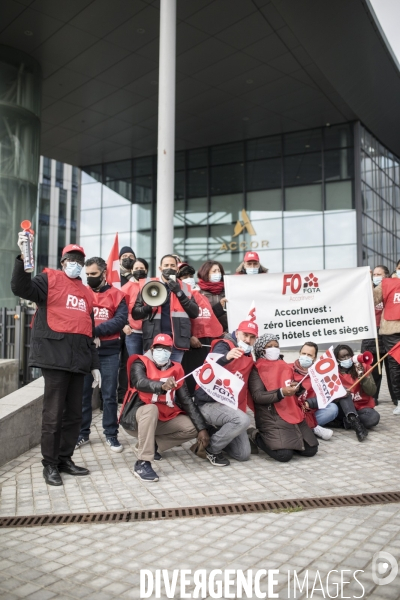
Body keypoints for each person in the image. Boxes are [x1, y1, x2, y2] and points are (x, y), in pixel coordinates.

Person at [11, 239, 100, 486]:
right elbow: (20, 288)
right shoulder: (47, 279)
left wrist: (94, 364)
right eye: (71, 259)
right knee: (53, 415)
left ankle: (64, 459)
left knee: (74, 416)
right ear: (63, 262)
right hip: (55, 358)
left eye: (79, 260)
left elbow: (88, 331)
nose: (76, 264)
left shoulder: (86, 293)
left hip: (79, 361)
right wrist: (23, 260)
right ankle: (49, 464)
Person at [123, 334, 209, 482]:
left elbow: (186, 400)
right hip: (139, 418)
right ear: (152, 348)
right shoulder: (140, 362)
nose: (162, 352)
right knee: (151, 409)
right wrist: (161, 387)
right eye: (159, 348)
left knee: (193, 427)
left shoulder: (176, 368)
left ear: (171, 351)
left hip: (164, 418)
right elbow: (140, 382)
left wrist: (202, 428)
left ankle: (152, 444)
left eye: (166, 349)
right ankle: (142, 462)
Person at [75, 257, 128, 452]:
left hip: (109, 351)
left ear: (104, 273)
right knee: (83, 394)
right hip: (86, 351)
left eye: (94, 274)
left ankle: (111, 434)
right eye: (87, 275)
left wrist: (94, 331)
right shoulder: (81, 293)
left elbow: (120, 321)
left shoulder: (118, 295)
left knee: (109, 394)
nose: (89, 278)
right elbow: (76, 317)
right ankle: (82, 433)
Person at [194, 320, 257, 466]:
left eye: (252, 337)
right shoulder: (223, 345)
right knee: (242, 420)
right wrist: (226, 357)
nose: (247, 340)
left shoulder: (249, 356)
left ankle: (214, 434)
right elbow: (211, 364)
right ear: (237, 333)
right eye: (245, 335)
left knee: (243, 454)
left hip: (229, 405)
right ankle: (211, 448)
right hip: (208, 403)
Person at [247, 334, 318, 463]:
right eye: (269, 346)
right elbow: (258, 396)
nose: (274, 349)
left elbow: (291, 387)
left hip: (291, 410)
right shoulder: (256, 369)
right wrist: (281, 392)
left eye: (276, 346)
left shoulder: (284, 365)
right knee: (284, 455)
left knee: (311, 450)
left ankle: (288, 441)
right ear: (261, 349)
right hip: (270, 415)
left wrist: (298, 387)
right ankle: (255, 435)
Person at [132, 254, 199, 363]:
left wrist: (179, 292)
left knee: (173, 376)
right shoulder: (148, 285)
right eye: (166, 265)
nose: (169, 268)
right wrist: (149, 307)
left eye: (172, 265)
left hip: (176, 342)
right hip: (154, 341)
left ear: (177, 268)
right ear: (160, 268)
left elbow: (195, 312)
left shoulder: (185, 288)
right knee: (152, 376)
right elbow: (135, 313)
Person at [178, 262, 224, 395]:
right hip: (192, 343)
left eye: (190, 275)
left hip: (207, 341)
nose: (189, 278)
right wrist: (189, 337)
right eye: (184, 276)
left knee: (207, 376)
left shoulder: (200, 295)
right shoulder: (178, 296)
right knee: (192, 378)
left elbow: (208, 316)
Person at [291, 342, 339, 440]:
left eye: (309, 355)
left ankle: (304, 427)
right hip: (294, 409)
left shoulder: (320, 373)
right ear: (299, 353)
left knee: (332, 409)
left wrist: (310, 403)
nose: (305, 357)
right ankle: (312, 428)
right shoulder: (288, 368)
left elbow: (325, 396)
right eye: (303, 354)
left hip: (311, 410)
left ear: (315, 358)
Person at [333, 345, 380, 436]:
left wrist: (363, 377)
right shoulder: (334, 373)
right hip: (343, 409)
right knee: (343, 390)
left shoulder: (362, 367)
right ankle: (355, 423)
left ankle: (345, 423)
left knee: (374, 418)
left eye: (348, 355)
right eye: (343, 357)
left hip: (361, 408)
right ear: (337, 359)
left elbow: (372, 391)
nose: (347, 358)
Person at [362, 265, 391, 405]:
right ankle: (372, 396)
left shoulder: (390, 289)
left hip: (387, 331)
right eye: (374, 274)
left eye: (379, 274)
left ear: (387, 276)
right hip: (371, 332)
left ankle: (396, 397)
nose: (376, 276)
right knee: (372, 368)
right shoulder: (367, 290)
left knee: (392, 368)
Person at [373, 264, 400, 414]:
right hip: (390, 331)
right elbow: (372, 299)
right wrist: (366, 282)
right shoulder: (387, 284)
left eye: (379, 274)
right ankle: (399, 401)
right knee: (395, 367)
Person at [117, 246, 137, 403]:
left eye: (131, 256)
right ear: (118, 259)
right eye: (124, 255)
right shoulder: (114, 278)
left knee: (127, 362)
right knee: (112, 362)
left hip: (133, 329)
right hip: (117, 326)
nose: (128, 258)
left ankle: (124, 394)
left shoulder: (139, 278)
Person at [123, 258, 149, 357]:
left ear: (146, 270)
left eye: (142, 268)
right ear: (132, 271)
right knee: (135, 364)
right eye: (136, 268)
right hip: (133, 333)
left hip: (151, 333)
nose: (139, 270)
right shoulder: (125, 288)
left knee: (150, 365)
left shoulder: (153, 285)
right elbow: (121, 310)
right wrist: (124, 325)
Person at [196, 260, 228, 331]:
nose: (218, 273)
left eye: (219, 271)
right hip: (207, 333)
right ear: (206, 273)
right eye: (214, 271)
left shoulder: (227, 290)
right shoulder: (199, 292)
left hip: (226, 332)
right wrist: (220, 306)